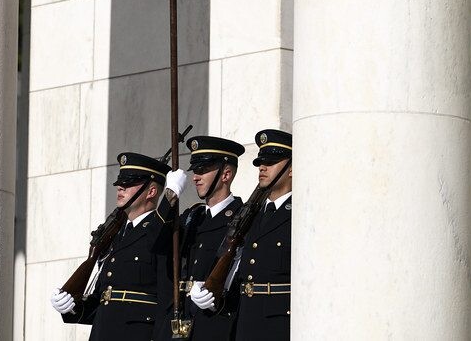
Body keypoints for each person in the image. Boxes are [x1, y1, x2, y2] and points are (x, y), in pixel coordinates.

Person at [50, 151, 187, 341]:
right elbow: (104, 299)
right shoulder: (117, 236)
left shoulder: (166, 233)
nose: (120, 187)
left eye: (129, 183)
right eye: (120, 183)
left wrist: (169, 198)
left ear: (152, 192)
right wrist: (73, 306)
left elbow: (166, 300)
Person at [190, 129, 292, 341]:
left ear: (291, 168)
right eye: (261, 162)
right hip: (245, 323)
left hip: (279, 324)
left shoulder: (299, 214)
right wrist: (211, 288)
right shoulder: (253, 215)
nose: (262, 167)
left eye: (271, 162)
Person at [156, 135, 246, 341]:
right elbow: (155, 242)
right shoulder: (191, 217)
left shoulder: (242, 218)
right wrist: (169, 195)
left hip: (214, 325)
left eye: (203, 170)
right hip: (180, 324)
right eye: (195, 170)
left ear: (226, 174)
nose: (195, 177)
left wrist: (220, 298)